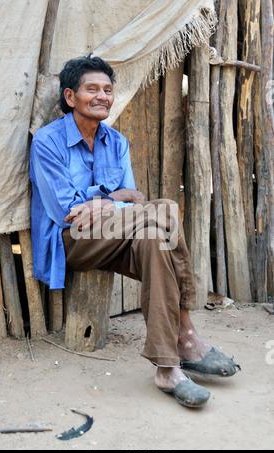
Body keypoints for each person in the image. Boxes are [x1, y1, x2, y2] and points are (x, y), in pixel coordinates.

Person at [30, 54, 240, 408]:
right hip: (70, 244)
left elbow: (134, 204)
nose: (102, 96)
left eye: (108, 90)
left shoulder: (117, 142)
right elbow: (66, 213)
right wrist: (115, 199)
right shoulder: (47, 142)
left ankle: (167, 366)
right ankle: (187, 333)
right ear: (70, 97)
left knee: (156, 238)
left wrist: (106, 204)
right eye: (91, 89)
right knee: (166, 210)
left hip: (117, 235)